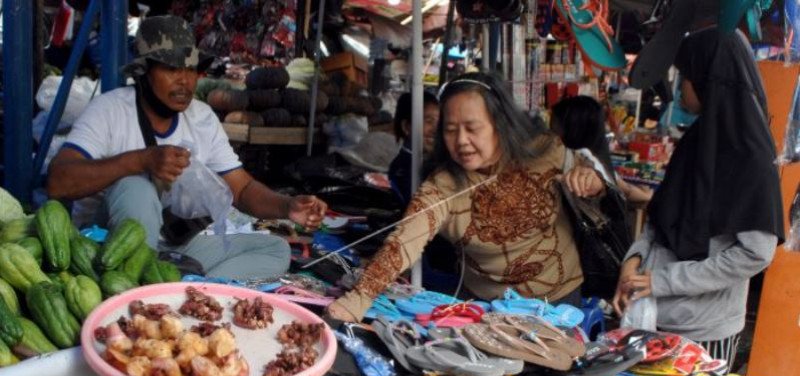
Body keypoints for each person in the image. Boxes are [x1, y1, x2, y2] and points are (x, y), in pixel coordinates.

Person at [47, 15, 326, 280]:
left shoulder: (201, 117)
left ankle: (183, 289)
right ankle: (138, 284)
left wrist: (286, 206)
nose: (185, 80)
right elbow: (59, 182)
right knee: (135, 186)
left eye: (191, 69)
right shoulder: (110, 110)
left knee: (274, 250)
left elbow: (241, 190)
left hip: (173, 251)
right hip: (108, 251)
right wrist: (141, 161)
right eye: (171, 69)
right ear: (144, 71)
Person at [326, 72, 606, 323]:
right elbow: (403, 242)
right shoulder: (443, 185)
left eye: (472, 128)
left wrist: (593, 182)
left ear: (500, 124)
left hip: (561, 304)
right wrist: (359, 298)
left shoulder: (548, 153)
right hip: (488, 311)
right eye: (450, 130)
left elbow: (603, 191)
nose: (461, 140)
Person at [612, 28, 784, 371]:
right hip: (655, 314)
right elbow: (662, 219)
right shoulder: (697, 142)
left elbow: (756, 252)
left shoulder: (750, 159)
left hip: (705, 331)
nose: (681, 85)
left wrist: (664, 281)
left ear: (708, 81)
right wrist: (632, 263)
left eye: (687, 75)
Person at [550, 95, 653, 203]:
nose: (550, 133)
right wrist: (648, 195)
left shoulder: (581, 160)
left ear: (573, 129)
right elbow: (626, 189)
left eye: (554, 126)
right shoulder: (598, 158)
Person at [387, 91, 440, 206]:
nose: (436, 130)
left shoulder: (426, 162)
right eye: (429, 121)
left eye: (439, 122)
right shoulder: (408, 169)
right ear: (406, 127)